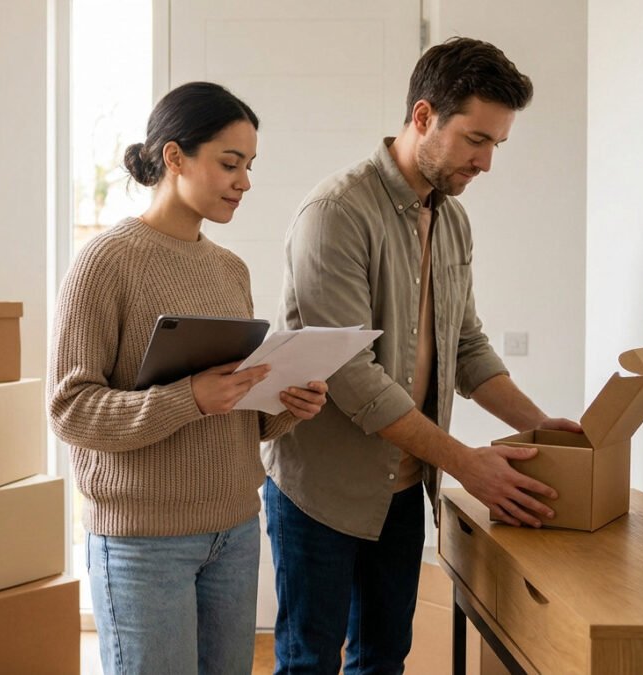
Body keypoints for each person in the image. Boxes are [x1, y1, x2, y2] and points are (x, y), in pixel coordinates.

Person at [262, 37, 582, 674]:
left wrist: (541, 426)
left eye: (497, 144)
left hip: (405, 488)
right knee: (310, 663)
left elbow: (467, 348)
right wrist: (469, 464)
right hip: (321, 490)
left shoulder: (454, 221)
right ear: (423, 117)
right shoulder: (336, 213)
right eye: (476, 139)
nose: (486, 162)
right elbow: (354, 379)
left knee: (385, 660)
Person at [47, 81, 329, 675]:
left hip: (233, 529)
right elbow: (70, 409)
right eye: (230, 163)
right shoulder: (105, 262)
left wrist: (287, 402)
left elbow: (237, 412)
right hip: (142, 543)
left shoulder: (230, 269)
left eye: (249, 166)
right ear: (174, 157)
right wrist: (188, 398)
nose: (244, 181)